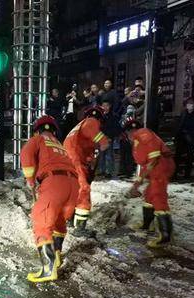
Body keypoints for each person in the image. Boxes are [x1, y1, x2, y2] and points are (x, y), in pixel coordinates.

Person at [21, 115, 79, 283]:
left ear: (37, 130)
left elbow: (26, 154)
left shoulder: (38, 139)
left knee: (41, 219)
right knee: (59, 220)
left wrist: (30, 180)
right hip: (73, 185)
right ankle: (57, 256)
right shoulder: (60, 146)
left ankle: (48, 269)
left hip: (54, 182)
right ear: (54, 130)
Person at [124, 118, 175, 248]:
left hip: (161, 166)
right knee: (148, 195)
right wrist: (138, 182)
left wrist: (138, 183)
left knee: (158, 197)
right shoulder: (138, 141)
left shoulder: (142, 134)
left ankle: (165, 235)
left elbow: (153, 160)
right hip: (157, 166)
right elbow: (147, 164)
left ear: (130, 131)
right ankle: (148, 224)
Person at [64, 106, 110, 237]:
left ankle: (69, 219)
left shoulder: (79, 128)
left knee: (72, 190)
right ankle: (80, 228)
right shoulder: (91, 121)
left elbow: (88, 151)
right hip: (75, 161)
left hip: (67, 160)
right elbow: (102, 142)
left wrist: (90, 162)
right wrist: (104, 143)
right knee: (83, 190)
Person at [175, 98, 194, 178]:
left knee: (189, 156)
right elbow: (180, 125)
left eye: (191, 103)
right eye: (188, 103)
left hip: (191, 138)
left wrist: (191, 135)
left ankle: (187, 174)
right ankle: (175, 173)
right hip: (182, 137)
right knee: (178, 155)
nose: (190, 105)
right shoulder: (184, 113)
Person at [97, 101, 121, 178]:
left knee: (109, 155)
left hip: (109, 138)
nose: (105, 107)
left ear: (109, 106)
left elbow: (115, 128)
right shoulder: (99, 116)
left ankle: (109, 172)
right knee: (101, 155)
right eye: (103, 105)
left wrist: (110, 137)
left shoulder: (113, 116)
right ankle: (101, 170)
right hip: (101, 138)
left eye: (106, 105)